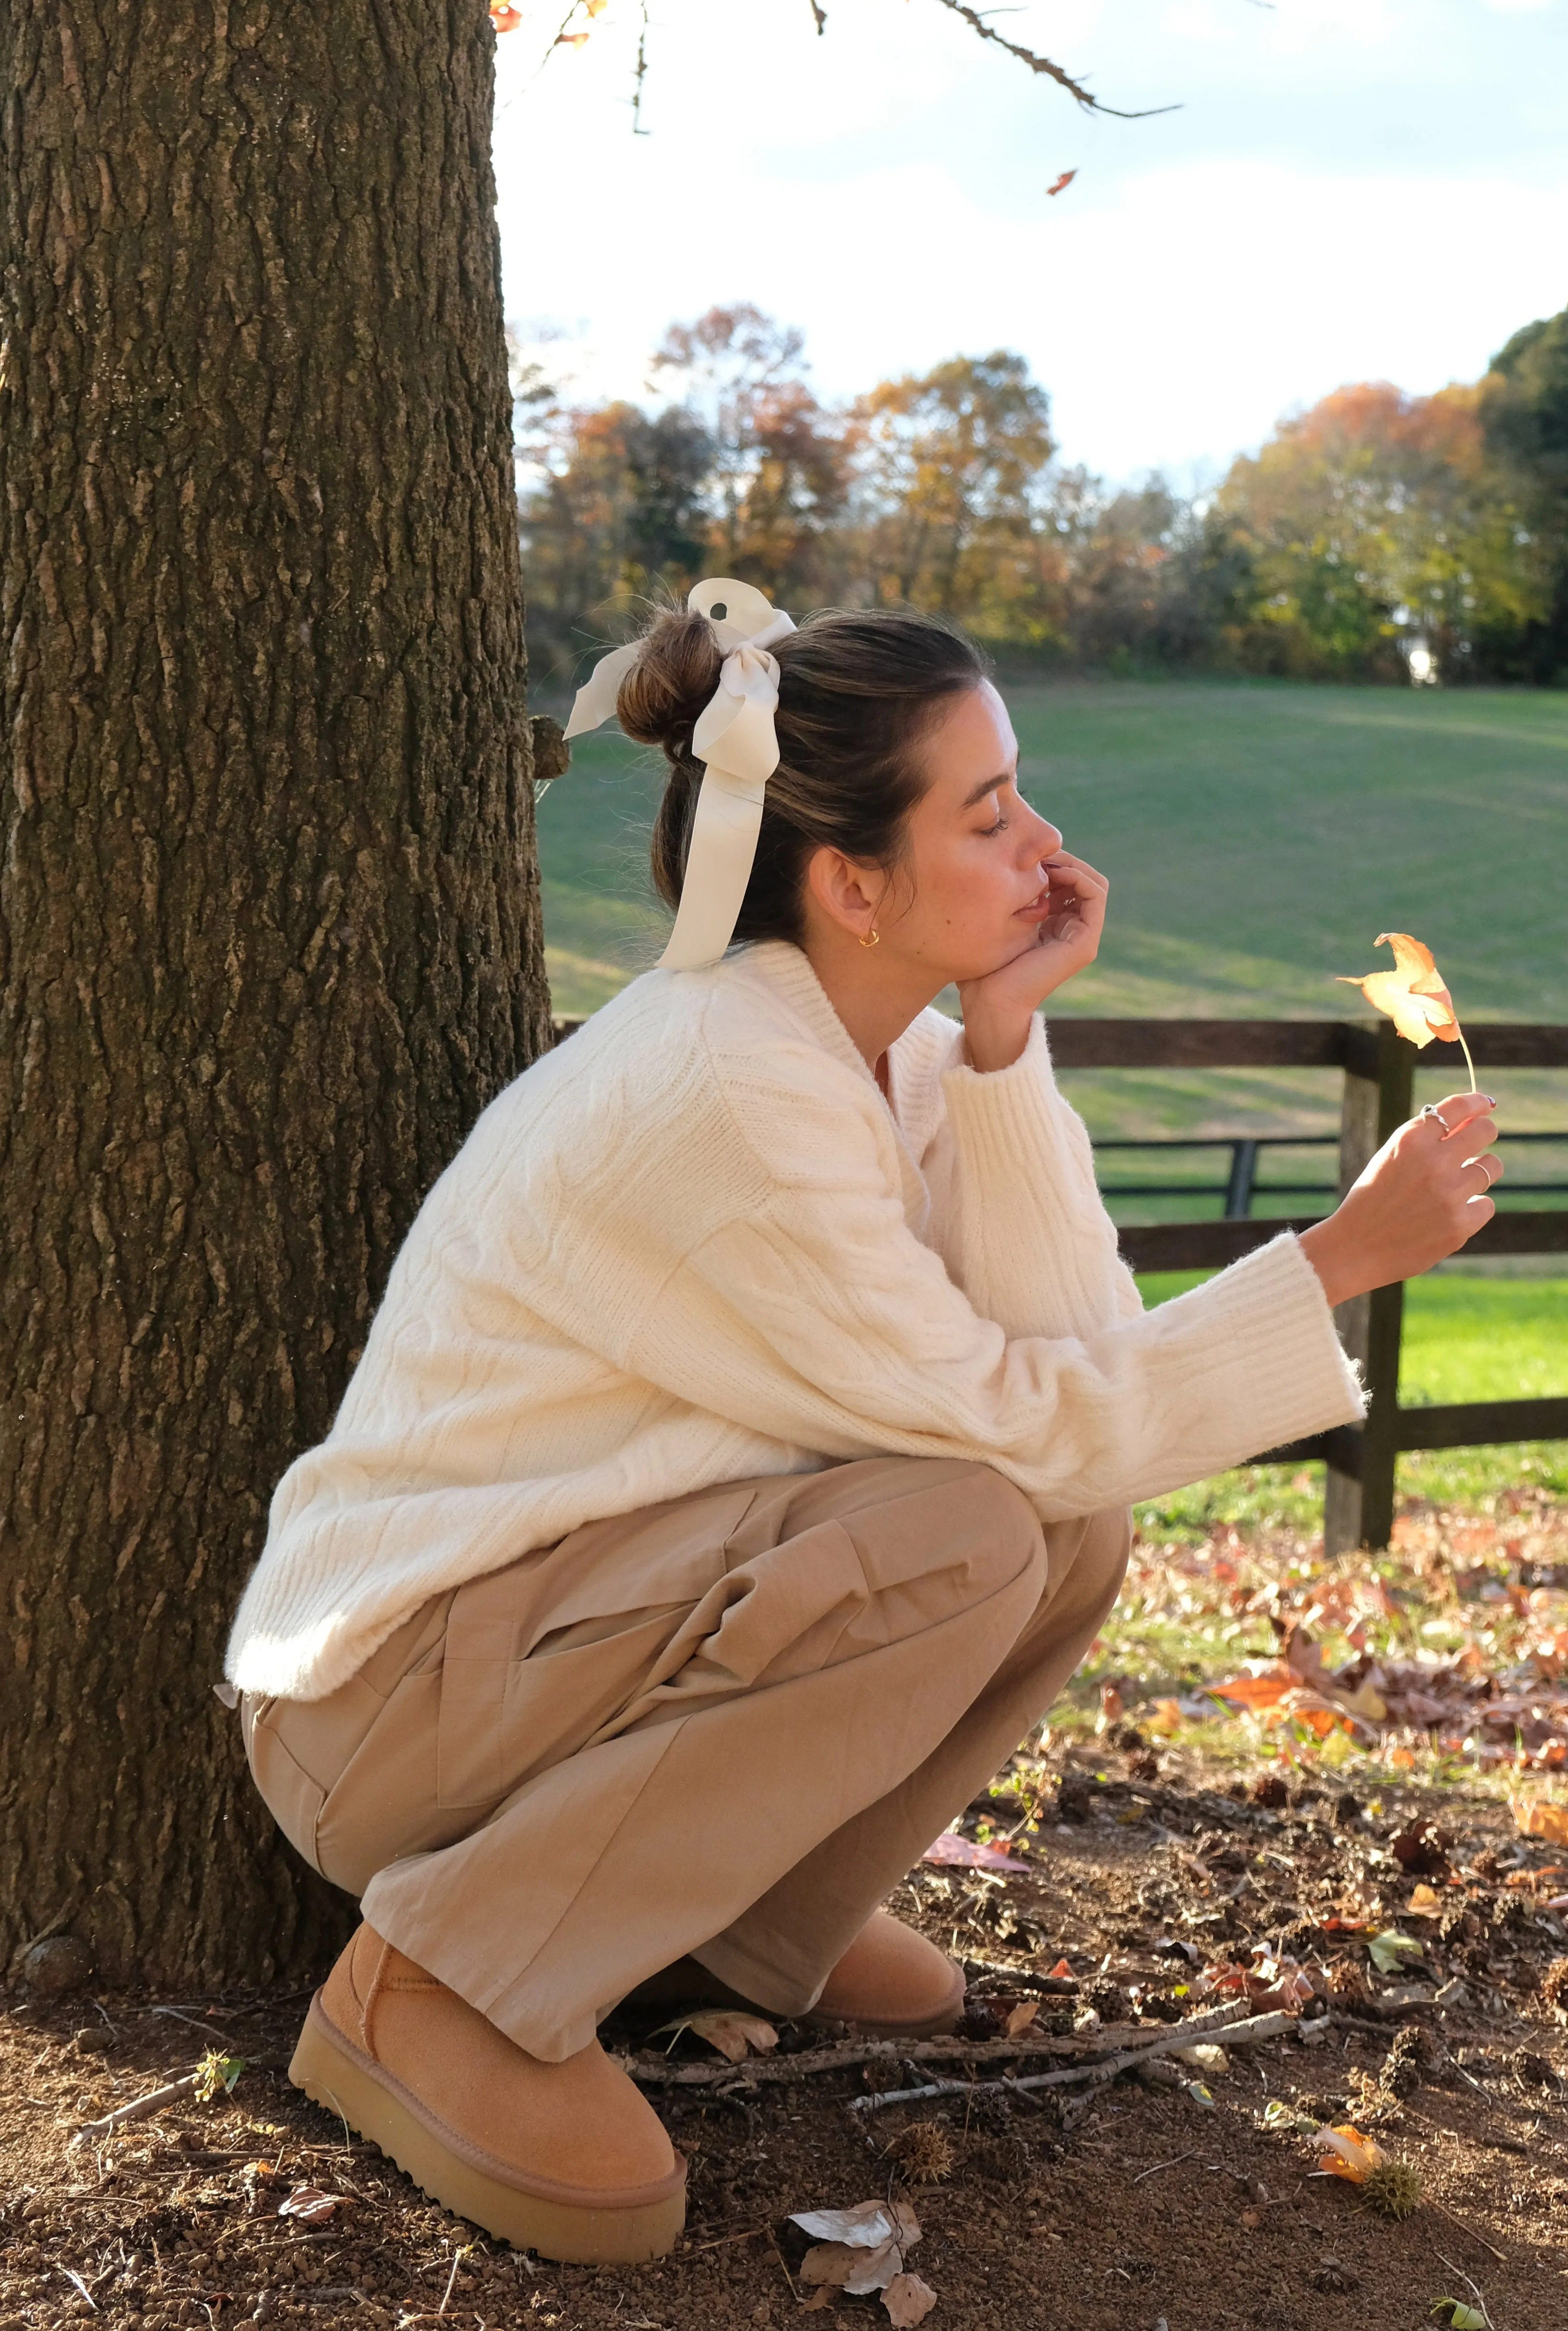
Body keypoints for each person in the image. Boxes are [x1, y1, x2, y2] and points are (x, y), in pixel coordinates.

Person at [225, 580, 1500, 2266]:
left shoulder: (871, 1044)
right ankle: (443, 1982)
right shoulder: (731, 1088)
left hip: (548, 1653)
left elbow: (1076, 1378)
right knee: (976, 1526)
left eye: (1023, 791)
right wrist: (1337, 1260)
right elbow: (1032, 1422)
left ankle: (739, 1923)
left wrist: (1002, 1044)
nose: (1046, 845)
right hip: (391, 1703)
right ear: (850, 881)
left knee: (1057, 1535)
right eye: (989, 813)